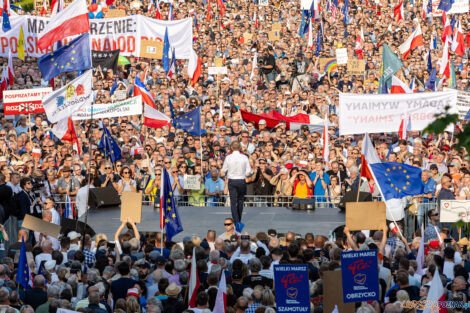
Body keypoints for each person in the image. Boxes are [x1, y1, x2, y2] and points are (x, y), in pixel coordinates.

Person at [221, 141, 252, 232]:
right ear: (240, 148)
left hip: (232, 181)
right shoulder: (244, 157)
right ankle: (238, 221)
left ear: (231, 148)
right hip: (241, 181)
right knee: (240, 201)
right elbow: (248, 172)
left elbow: (223, 170)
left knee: (233, 202)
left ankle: (237, 221)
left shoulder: (228, 157)